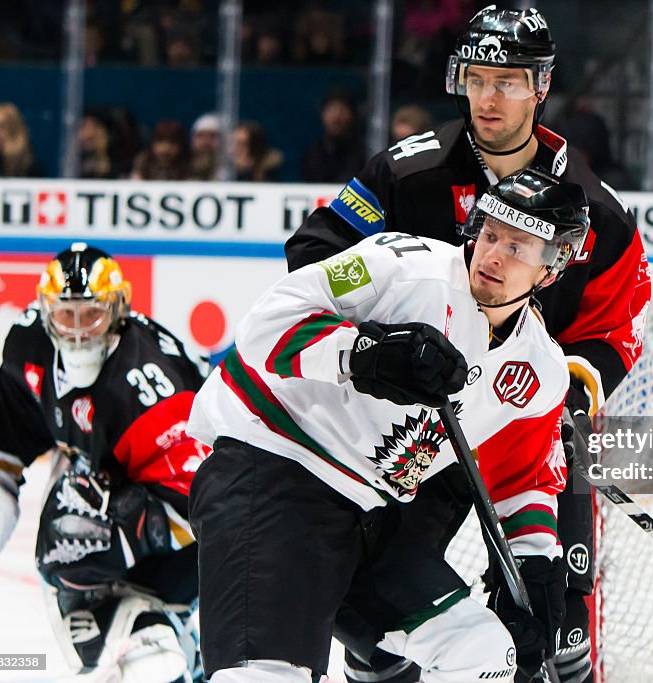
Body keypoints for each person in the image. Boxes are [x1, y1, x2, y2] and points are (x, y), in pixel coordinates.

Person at [284, 6, 650, 683]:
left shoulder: (594, 210)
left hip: (523, 434)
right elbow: (313, 253)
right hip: (416, 432)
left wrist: (560, 385)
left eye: (508, 81)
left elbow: (615, 329)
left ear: (541, 86)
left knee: (557, 628)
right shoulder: (408, 173)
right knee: (380, 629)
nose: (488, 97)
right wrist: (385, 348)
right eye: (477, 78)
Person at [188, 169, 586, 682]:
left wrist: (533, 567)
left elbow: (522, 477)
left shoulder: (540, 369)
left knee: (483, 654)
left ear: (551, 269)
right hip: (275, 469)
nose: (493, 255)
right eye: (489, 233)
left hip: (371, 518)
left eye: (518, 247)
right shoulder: (404, 266)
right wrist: (364, 353)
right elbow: (265, 327)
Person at [0, 243, 209, 681]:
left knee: (151, 663)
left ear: (117, 311)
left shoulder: (147, 383)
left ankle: (172, 638)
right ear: (44, 311)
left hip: (196, 531)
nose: (77, 331)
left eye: (90, 314)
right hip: (118, 492)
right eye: (65, 314)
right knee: (94, 636)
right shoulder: (29, 348)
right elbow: (5, 445)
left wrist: (122, 533)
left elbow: (206, 501)